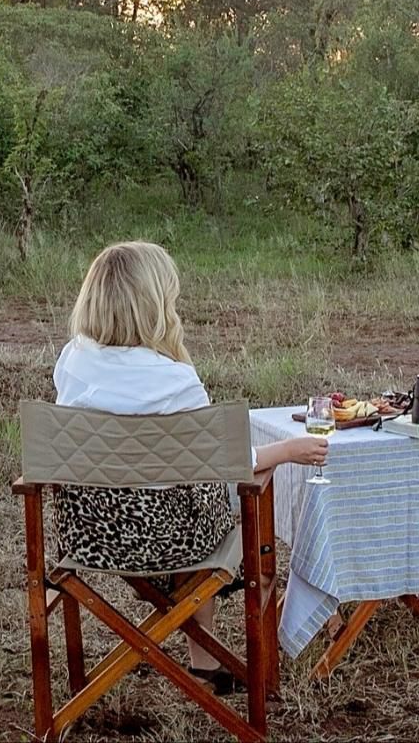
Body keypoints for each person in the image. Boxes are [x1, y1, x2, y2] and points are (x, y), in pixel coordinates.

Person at [52, 240, 325, 689]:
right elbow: (221, 463)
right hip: (170, 540)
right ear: (155, 305)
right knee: (220, 495)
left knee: (189, 491)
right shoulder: (175, 381)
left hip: (92, 535)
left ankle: (204, 662)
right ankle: (205, 659)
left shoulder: (73, 360)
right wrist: (287, 451)